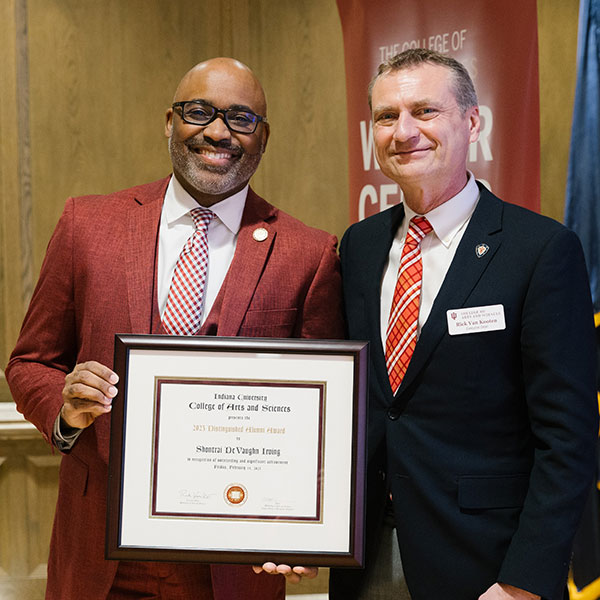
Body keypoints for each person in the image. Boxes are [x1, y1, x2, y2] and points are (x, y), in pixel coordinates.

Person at [6, 57, 343, 600]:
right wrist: (66, 412)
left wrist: (305, 523)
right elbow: (30, 363)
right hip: (101, 551)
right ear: (169, 122)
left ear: (264, 136)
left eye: (241, 118)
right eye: (198, 112)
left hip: (236, 566)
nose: (218, 131)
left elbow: (325, 417)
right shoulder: (87, 225)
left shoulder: (308, 254)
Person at [328, 48, 598, 600]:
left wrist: (523, 581)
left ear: (472, 122)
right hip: (365, 558)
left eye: (425, 111)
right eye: (386, 116)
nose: (404, 131)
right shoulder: (359, 246)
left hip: (487, 565)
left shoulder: (540, 251)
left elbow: (568, 439)